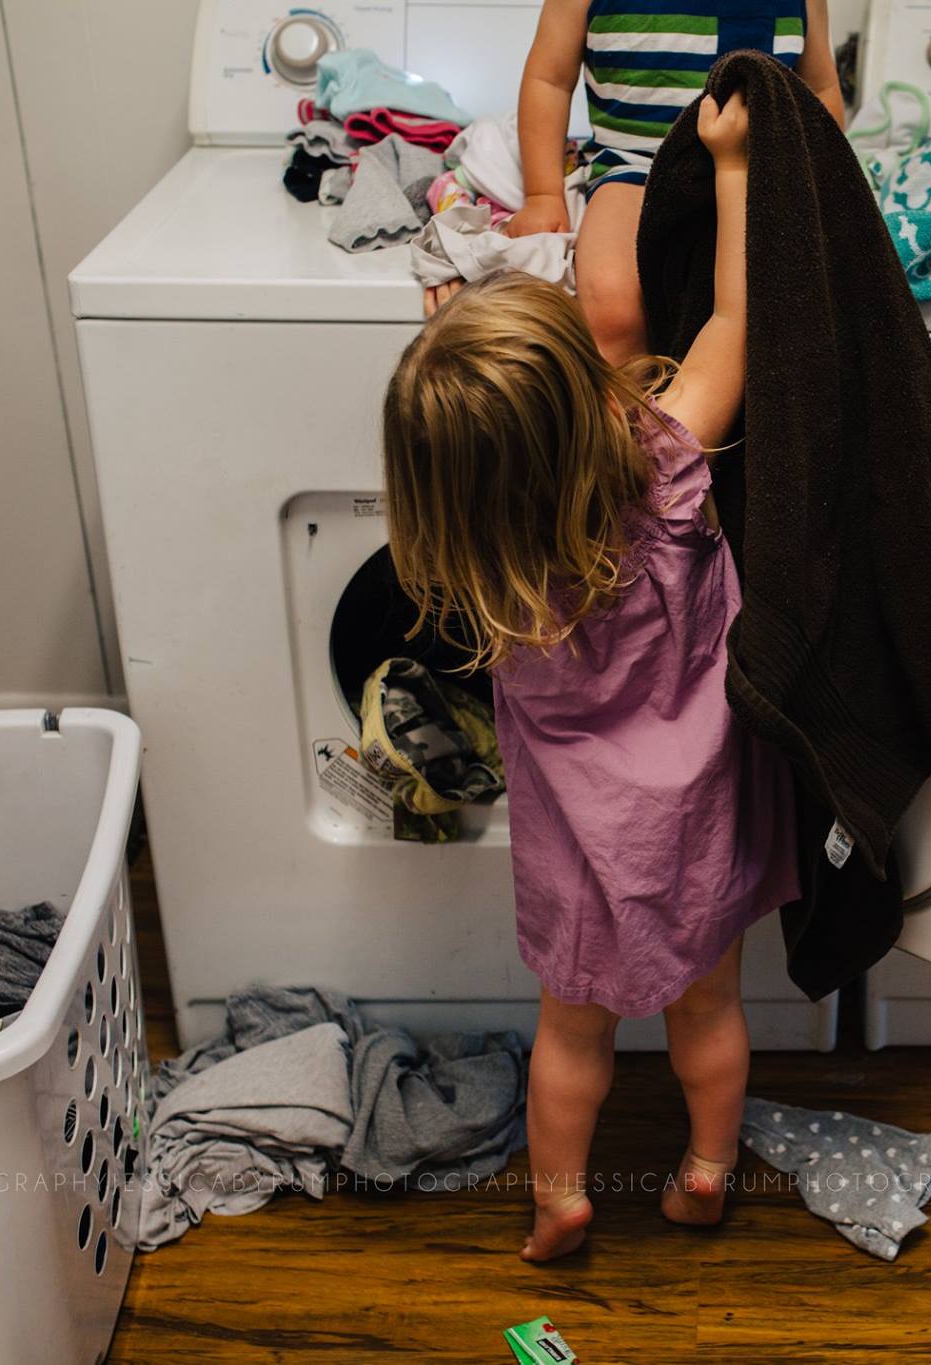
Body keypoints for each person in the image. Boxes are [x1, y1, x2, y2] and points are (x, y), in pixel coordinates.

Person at [382, 93, 797, 1262]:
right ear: (588, 391)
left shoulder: (476, 557)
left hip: (578, 842)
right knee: (708, 1010)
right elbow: (731, 319)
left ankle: (558, 1195)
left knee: (570, 1031)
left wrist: (445, 329)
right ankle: (706, 1170)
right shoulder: (666, 463)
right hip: (701, 816)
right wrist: (728, 169)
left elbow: (475, 439)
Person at [508, 0, 843, 359]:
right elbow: (550, 80)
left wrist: (826, 182)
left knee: (791, 306)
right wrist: (543, 194)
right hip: (637, 167)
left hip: (760, 168)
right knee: (611, 303)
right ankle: (631, 405)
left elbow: (820, 88)